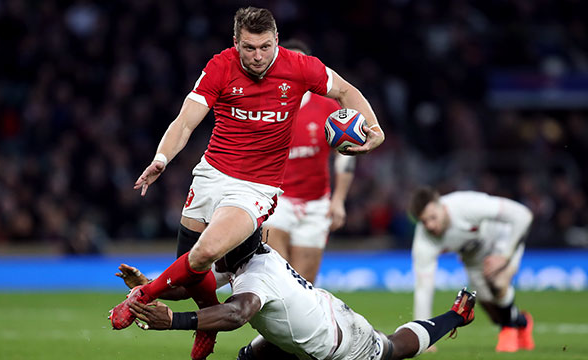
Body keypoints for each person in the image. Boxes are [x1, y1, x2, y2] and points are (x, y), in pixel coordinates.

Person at [109, 6, 385, 359]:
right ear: (236, 42)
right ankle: (207, 333)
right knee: (191, 274)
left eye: (265, 47)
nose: (258, 57)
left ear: (277, 41)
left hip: (256, 187)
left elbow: (346, 91)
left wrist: (375, 131)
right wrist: (161, 159)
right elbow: (186, 120)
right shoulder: (219, 66)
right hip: (211, 173)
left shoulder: (301, 67)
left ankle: (139, 299)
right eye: (249, 48)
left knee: (206, 252)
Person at [116, 232, 477, 360]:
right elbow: (195, 286)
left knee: (394, 349)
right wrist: (150, 286)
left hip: (340, 344)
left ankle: (457, 315)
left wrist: (173, 322)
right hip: (300, 330)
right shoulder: (240, 257)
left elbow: (236, 314)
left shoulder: (257, 276)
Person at [261, 39, 355, 283]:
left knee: (303, 285)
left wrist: (339, 200)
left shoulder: (327, 107)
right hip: (276, 201)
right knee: (278, 277)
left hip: (316, 206)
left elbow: (344, 154)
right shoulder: (263, 107)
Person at [408, 187, 535, 353]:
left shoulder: (467, 207)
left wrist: (505, 256)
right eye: (424, 221)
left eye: (433, 217)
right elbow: (423, 287)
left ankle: (508, 331)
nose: (430, 225)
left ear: (442, 206)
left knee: (498, 283)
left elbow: (523, 215)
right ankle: (522, 322)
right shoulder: (424, 240)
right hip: (474, 259)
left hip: (502, 241)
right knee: (495, 313)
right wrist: (425, 337)